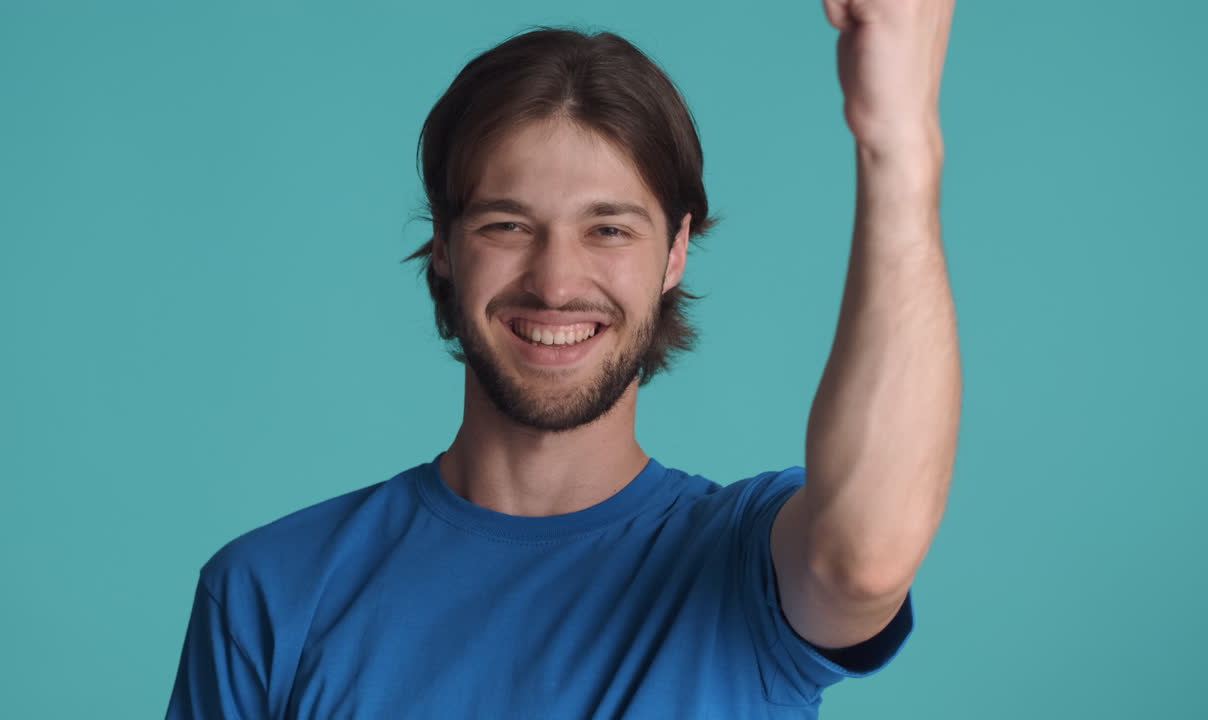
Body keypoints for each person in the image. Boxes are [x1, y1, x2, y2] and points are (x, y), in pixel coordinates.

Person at [165, 2, 960, 717]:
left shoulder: (743, 565)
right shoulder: (270, 592)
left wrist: (900, 148)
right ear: (443, 245)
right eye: (506, 226)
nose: (554, 283)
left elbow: (864, 562)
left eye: (608, 230)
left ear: (675, 252)